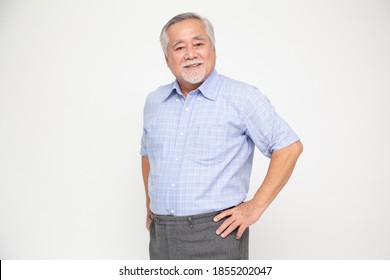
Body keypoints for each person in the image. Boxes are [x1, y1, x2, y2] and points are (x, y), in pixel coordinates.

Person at [140, 12, 303, 260]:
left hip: (217, 233)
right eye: (179, 47)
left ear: (213, 49)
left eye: (198, 43)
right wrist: (149, 203)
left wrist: (254, 207)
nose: (190, 53)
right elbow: (148, 154)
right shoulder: (155, 102)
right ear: (167, 58)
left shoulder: (242, 97)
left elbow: (289, 147)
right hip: (161, 235)